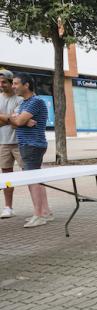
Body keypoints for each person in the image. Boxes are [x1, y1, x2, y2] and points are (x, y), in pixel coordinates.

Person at [9, 73, 53, 228]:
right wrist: (21, 121)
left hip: (32, 145)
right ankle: (45, 211)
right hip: (28, 144)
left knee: (33, 180)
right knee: (36, 179)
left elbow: (18, 120)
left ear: (26, 85)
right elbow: (15, 123)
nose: (13, 86)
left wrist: (20, 120)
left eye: (15, 83)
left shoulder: (35, 101)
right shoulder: (23, 103)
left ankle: (39, 215)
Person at [0, 69, 23, 219]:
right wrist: (10, 118)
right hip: (2, 143)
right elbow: (12, 120)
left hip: (20, 142)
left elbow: (17, 123)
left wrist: (7, 120)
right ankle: (8, 207)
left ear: (10, 82)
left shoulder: (19, 100)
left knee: (31, 173)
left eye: (4, 82)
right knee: (7, 176)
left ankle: (39, 207)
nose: (1, 84)